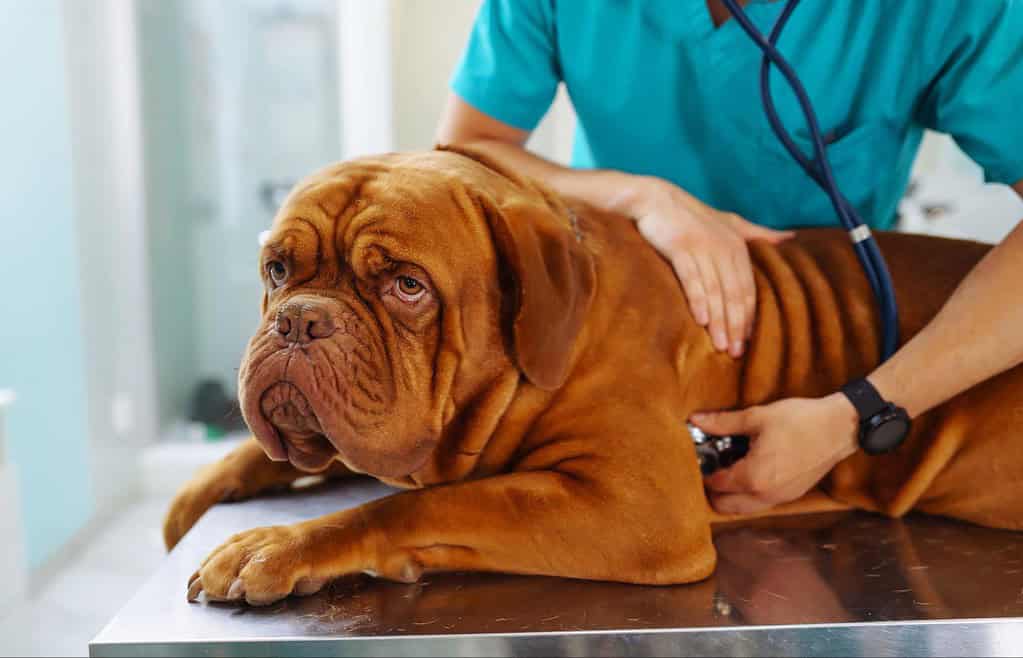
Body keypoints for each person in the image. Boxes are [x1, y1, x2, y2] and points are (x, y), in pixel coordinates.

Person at [436, 0, 1023, 515]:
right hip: (613, 339)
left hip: (825, 364)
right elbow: (469, 146)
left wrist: (857, 415)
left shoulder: (955, 11)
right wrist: (641, 196)